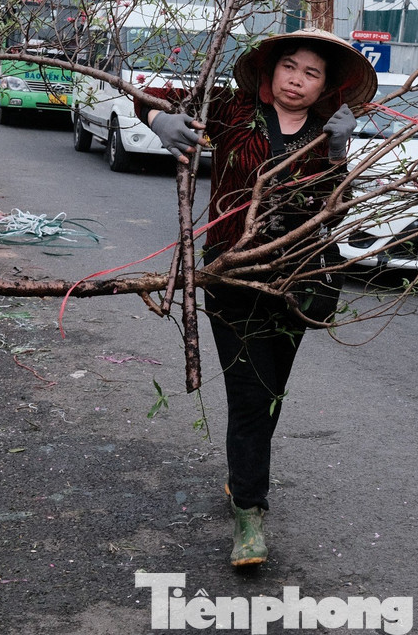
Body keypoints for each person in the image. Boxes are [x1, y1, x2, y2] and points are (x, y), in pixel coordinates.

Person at [142, 28, 377, 567]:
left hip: (296, 284)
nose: (297, 80)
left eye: (311, 73)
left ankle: (242, 475)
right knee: (251, 396)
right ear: (270, 70)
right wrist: (160, 121)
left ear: (326, 88)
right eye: (289, 67)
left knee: (270, 393)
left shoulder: (325, 135)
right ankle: (249, 511)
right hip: (232, 277)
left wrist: (339, 153)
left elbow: (333, 217)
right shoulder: (232, 110)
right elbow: (149, 95)